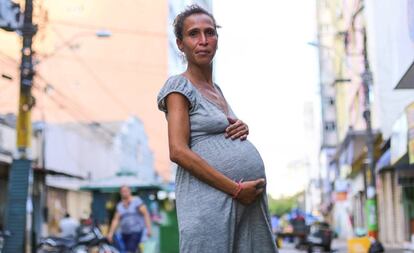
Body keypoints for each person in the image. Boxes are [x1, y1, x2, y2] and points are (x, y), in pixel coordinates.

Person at [156, 5, 277, 253]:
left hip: (245, 203)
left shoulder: (217, 90)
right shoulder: (178, 86)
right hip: (212, 205)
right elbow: (178, 151)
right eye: (193, 34)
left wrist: (241, 127)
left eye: (209, 33)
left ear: (217, 39)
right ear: (180, 44)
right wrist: (236, 189)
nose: (203, 41)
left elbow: (216, 130)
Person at [107, 186, 152, 253]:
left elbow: (146, 214)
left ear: (130, 191)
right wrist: (110, 233)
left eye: (126, 191)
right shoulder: (120, 205)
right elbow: (115, 220)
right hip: (124, 233)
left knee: (130, 250)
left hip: (136, 231)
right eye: (123, 191)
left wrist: (149, 229)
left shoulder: (137, 201)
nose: (124, 193)